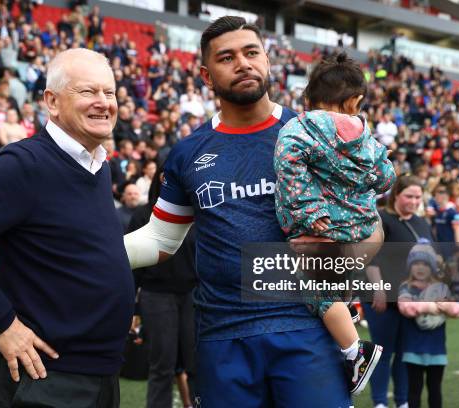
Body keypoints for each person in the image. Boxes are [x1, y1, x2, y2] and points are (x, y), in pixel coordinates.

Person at [124, 17, 383, 407]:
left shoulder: (315, 132)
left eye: (251, 53)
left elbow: (372, 228)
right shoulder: (186, 153)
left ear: (267, 61)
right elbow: (161, 239)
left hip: (307, 329)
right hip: (222, 337)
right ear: (207, 77)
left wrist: (338, 261)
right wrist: (91, 255)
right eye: (226, 58)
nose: (242, 64)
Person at [0, 48, 133, 408]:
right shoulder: (26, 163)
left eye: (109, 92)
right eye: (88, 92)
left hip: (100, 374)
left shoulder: (98, 165)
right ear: (52, 101)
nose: (103, 102)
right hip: (45, 379)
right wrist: (3, 324)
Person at [274, 52, 395, 395]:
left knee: (310, 285)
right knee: (336, 276)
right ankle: (350, 305)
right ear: (356, 101)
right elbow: (386, 177)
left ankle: (355, 351)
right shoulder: (367, 136)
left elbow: (290, 172)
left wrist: (314, 217)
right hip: (363, 223)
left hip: (322, 228)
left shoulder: (298, 128)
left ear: (307, 100)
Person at [127, 165, 197, 408]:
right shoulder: (142, 215)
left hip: (193, 296)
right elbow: (132, 266)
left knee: (197, 363)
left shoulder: (195, 213)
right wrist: (133, 309)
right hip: (157, 296)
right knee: (162, 365)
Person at [364, 175, 434, 408]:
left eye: (418, 197)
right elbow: (371, 258)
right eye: (409, 196)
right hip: (383, 298)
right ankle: (380, 403)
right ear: (396, 195)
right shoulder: (381, 220)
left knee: (405, 353)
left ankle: (402, 402)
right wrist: (379, 290)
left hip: (410, 300)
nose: (414, 201)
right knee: (383, 352)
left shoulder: (422, 222)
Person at [397, 241, 459, 408]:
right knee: (414, 391)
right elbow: (406, 307)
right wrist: (430, 306)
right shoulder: (406, 288)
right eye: (416, 263)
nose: (420, 268)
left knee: (435, 390)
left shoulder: (440, 289)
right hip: (413, 350)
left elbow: (457, 310)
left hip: (437, 350)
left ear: (432, 267)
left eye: (425, 264)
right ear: (409, 266)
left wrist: (446, 306)